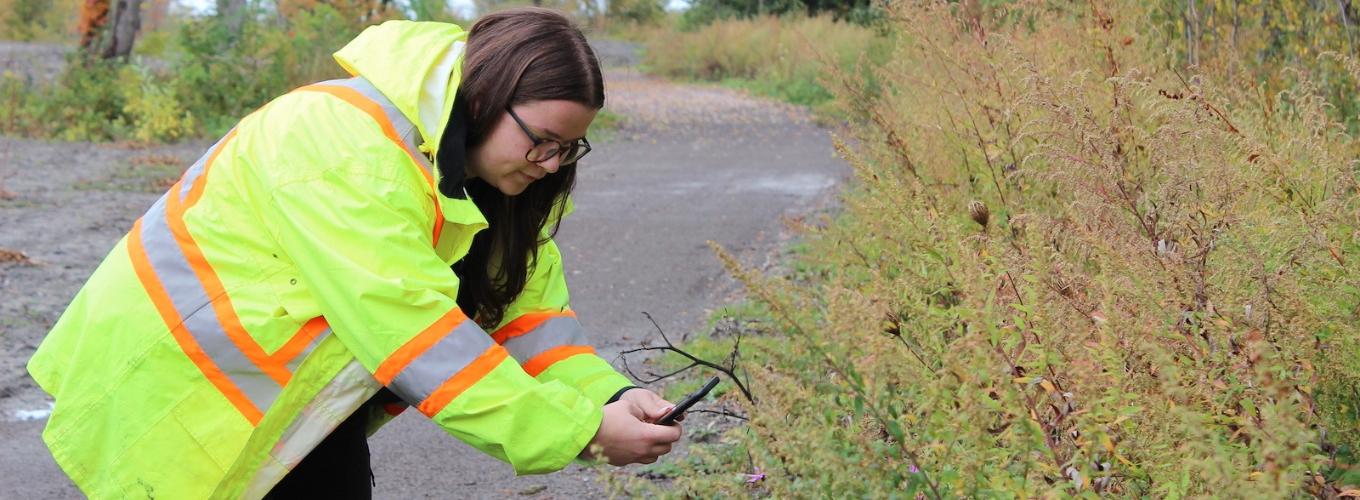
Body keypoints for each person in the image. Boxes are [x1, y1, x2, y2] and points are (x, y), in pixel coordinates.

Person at [27, 8, 683, 499]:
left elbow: (533, 322)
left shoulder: (492, 180)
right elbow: (417, 337)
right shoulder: (345, 148)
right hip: (176, 395)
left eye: (570, 148)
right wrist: (580, 432)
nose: (552, 164)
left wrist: (613, 396)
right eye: (543, 140)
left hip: (296, 409)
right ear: (484, 94)